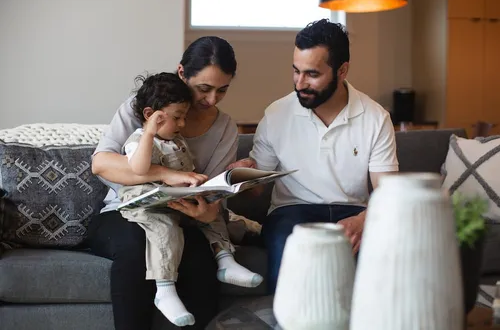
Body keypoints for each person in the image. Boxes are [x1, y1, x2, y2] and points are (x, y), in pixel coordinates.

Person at [228, 19, 399, 293]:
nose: (300, 83)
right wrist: (242, 175)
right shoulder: (276, 114)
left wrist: (364, 220)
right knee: (290, 266)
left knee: (383, 271)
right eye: (296, 71)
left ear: (342, 71)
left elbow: (388, 192)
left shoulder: (376, 117)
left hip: (353, 211)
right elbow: (256, 191)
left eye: (312, 74)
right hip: (292, 211)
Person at [86, 36, 243, 330]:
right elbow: (101, 163)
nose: (211, 100)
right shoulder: (143, 107)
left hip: (183, 218)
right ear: (182, 73)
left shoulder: (224, 127)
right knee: (136, 250)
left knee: (199, 261)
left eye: (222, 90)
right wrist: (164, 173)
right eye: (204, 89)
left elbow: (214, 194)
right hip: (122, 214)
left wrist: (207, 212)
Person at [117, 72, 262, 327]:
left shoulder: (177, 140)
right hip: (147, 206)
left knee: (212, 213)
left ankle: (225, 260)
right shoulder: (139, 140)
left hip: (174, 201)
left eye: (184, 116)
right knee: (166, 230)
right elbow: (139, 169)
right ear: (151, 115)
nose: (183, 124)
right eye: (177, 118)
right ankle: (164, 289)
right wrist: (150, 133)